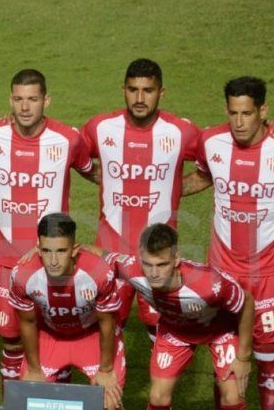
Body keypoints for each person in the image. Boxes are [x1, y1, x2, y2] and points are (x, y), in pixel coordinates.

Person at [185, 76, 274, 410]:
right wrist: (152, 187)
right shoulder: (211, 141)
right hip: (223, 270)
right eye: (233, 113)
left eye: (247, 113)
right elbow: (199, 179)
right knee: (224, 357)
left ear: (264, 111)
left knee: (268, 357)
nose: (239, 122)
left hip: (270, 273)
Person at [0, 69, 94, 385]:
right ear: (10, 100)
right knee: (11, 341)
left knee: (56, 336)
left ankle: (56, 409)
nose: (25, 107)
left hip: (53, 260)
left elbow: (95, 174)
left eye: (33, 99)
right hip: (5, 259)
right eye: (18, 99)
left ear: (46, 100)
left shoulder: (69, 139)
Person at [80, 58, 201, 336]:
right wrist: (106, 178)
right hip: (110, 251)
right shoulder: (101, 127)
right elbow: (74, 155)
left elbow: (214, 164)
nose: (139, 97)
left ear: (161, 92)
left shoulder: (181, 131)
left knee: (162, 333)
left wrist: (177, 186)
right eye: (133, 89)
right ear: (124, 89)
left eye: (148, 90)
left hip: (158, 253)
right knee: (107, 328)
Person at [104, 224, 255, 410]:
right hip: (175, 331)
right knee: (158, 398)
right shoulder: (131, 269)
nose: (154, 273)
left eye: (162, 265)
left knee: (232, 398)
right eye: (148, 264)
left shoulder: (209, 284)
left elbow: (246, 303)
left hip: (220, 331)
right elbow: (102, 255)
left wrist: (243, 357)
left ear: (176, 260)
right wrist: (75, 251)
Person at [9, 213, 124, 410]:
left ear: (74, 250)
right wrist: (35, 370)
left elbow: (107, 322)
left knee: (109, 406)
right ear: (38, 249)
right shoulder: (22, 275)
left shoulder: (99, 272)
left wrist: (105, 370)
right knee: (31, 404)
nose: (53, 260)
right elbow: (27, 323)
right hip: (50, 337)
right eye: (46, 251)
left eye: (61, 251)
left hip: (91, 336)